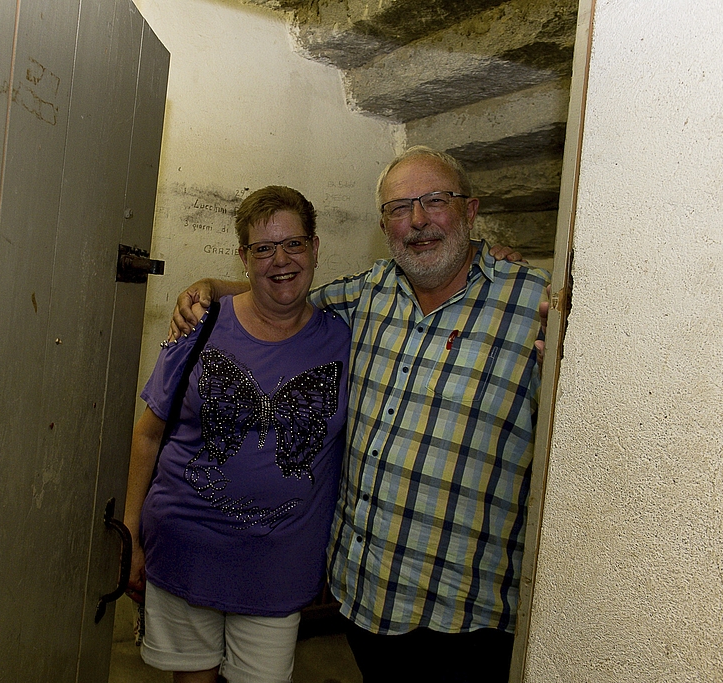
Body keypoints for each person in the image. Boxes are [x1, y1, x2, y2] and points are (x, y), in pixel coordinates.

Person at [170, 147, 548, 682]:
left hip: (468, 611)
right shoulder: (365, 295)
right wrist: (210, 288)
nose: (416, 221)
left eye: (434, 201)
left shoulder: (541, 305)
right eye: (399, 208)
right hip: (366, 594)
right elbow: (284, 294)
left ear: (470, 210)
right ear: (384, 224)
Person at [123, 185, 351, 683]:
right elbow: (147, 436)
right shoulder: (201, 326)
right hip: (184, 546)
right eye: (263, 248)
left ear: (315, 248)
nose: (280, 260)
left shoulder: (346, 338)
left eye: (293, 244)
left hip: (278, 566)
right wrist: (130, 536)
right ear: (243, 258)